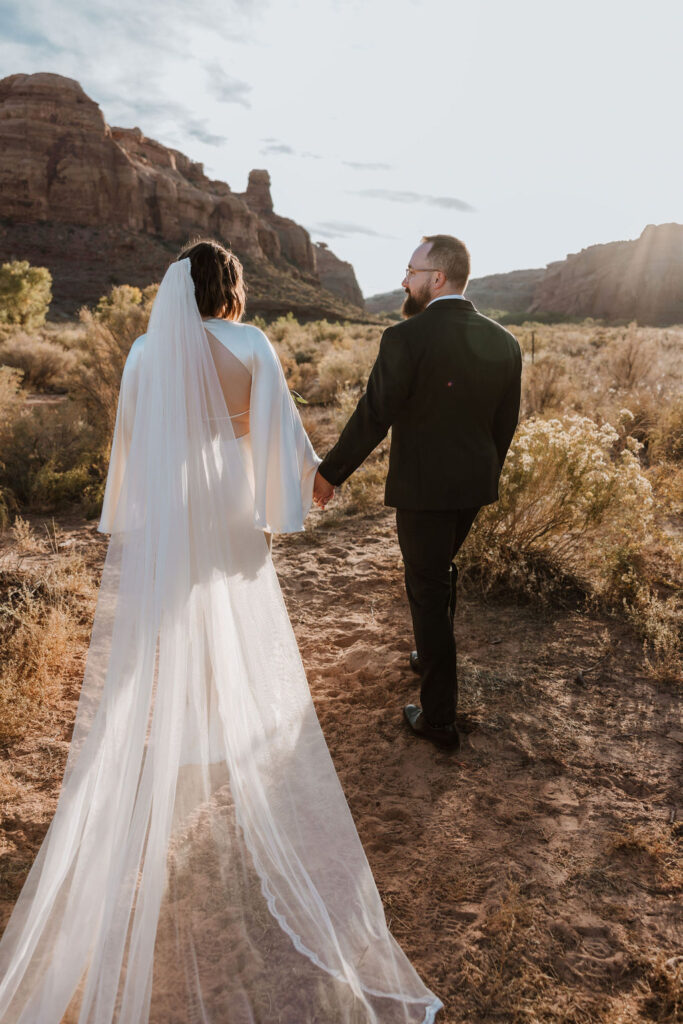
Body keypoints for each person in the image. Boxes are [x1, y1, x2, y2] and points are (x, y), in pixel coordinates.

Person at [0, 240, 442, 1023]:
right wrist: (304, 488)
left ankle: (171, 734)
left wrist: (142, 511)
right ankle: (214, 735)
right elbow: (278, 429)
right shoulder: (250, 343)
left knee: (161, 630)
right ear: (231, 286)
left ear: (177, 288)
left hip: (172, 509)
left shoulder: (144, 351)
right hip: (231, 508)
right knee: (232, 622)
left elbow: (130, 441)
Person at [314, 234, 522, 751]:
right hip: (474, 488)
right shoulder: (504, 340)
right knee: (438, 574)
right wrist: (483, 472)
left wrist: (330, 472)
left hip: (424, 491)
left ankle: (438, 719)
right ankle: (429, 658)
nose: (403, 280)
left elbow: (374, 415)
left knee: (426, 590)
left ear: (438, 278)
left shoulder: (403, 338)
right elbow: (505, 425)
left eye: (411, 271)